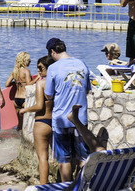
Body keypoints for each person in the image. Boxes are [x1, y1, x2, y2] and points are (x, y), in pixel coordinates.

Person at [44, 37, 92, 182]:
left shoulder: (53, 68)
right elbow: (88, 90)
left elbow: (48, 95)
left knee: (64, 160)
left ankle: (67, 187)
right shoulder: (82, 64)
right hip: (80, 120)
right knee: (84, 158)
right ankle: (83, 186)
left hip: (61, 120)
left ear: (52, 52)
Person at [18, 55, 55, 184]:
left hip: (42, 123)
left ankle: (43, 186)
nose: (38, 71)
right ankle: (62, 183)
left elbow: (39, 106)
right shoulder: (58, 81)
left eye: (40, 68)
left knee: (43, 158)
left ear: (48, 68)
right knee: (60, 157)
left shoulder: (41, 83)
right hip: (55, 122)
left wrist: (25, 109)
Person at [6, 51, 33, 131]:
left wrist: (15, 82)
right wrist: (38, 78)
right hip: (25, 99)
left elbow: (7, 84)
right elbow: (29, 84)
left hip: (16, 99)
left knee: (20, 124)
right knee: (27, 124)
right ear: (25, 61)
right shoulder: (26, 71)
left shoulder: (15, 71)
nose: (30, 62)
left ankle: (18, 139)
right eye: (29, 60)